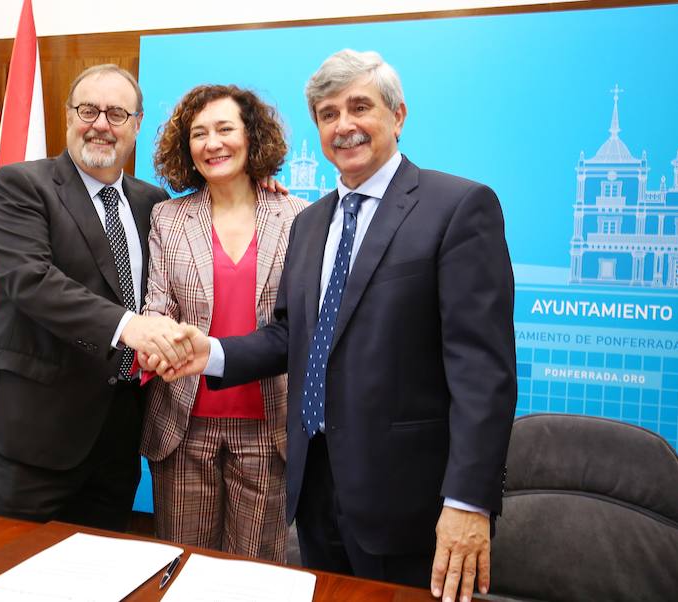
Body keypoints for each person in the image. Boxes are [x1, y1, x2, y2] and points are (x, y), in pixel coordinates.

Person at [149, 49, 517, 602]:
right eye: (327, 113)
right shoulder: (312, 221)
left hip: (407, 500)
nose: (343, 126)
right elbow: (292, 336)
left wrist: (468, 502)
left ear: (398, 115)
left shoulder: (458, 207)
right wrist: (213, 355)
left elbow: (483, 373)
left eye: (359, 107)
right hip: (314, 488)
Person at [0, 64, 190, 532]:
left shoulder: (152, 203)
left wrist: (256, 188)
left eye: (117, 113)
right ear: (68, 116)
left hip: (116, 437)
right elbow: (31, 281)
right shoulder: (20, 184)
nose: (101, 124)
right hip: (31, 436)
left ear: (137, 125)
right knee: (10, 575)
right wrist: (130, 326)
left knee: (99, 577)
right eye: (89, 110)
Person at [141, 85, 307, 562]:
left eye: (224, 129)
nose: (212, 143)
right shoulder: (167, 218)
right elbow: (156, 306)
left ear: (251, 136)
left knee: (256, 575)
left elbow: (303, 323)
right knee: (180, 566)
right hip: (183, 423)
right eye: (199, 133)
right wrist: (162, 340)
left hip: (268, 426)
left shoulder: (299, 216)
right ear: (186, 148)